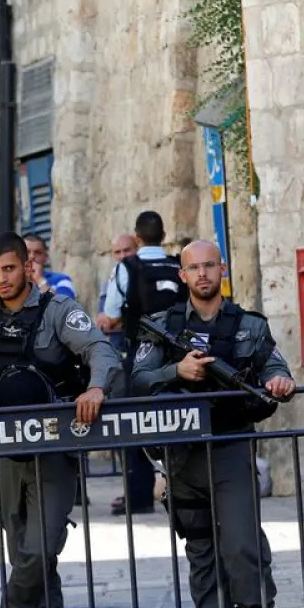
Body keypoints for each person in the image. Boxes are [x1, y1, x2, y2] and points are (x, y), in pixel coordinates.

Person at [130, 240, 295, 608]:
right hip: (183, 455)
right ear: (181, 275)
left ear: (222, 268)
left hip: (229, 446)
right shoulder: (162, 327)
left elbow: (273, 366)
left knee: (242, 546)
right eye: (193, 267)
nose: (202, 274)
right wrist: (175, 372)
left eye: (209, 265)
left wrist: (279, 380)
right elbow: (137, 379)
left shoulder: (248, 326)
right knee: (201, 550)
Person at [0, 232, 120, 608]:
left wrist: (96, 388)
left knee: (41, 547)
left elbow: (101, 349)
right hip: (7, 456)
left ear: (28, 268)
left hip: (53, 451)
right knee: (27, 554)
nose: (2, 278)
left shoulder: (58, 311)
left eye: (10, 268)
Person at [104, 212, 186, 516]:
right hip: (180, 357)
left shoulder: (126, 268)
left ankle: (139, 496)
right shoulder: (179, 264)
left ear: (137, 239)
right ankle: (184, 491)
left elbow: (111, 311)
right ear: (163, 236)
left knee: (133, 422)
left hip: (140, 356)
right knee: (181, 418)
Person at [96, 233, 139, 355]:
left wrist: (119, 320)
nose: (122, 256)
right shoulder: (109, 282)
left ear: (137, 249)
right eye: (117, 252)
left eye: (127, 250)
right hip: (118, 347)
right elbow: (104, 325)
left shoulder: (144, 277)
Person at [23, 234, 77, 299]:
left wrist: (40, 280)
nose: (32, 257)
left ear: (46, 257)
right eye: (27, 252)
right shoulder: (11, 283)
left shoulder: (61, 280)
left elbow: (65, 307)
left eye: (38, 252)